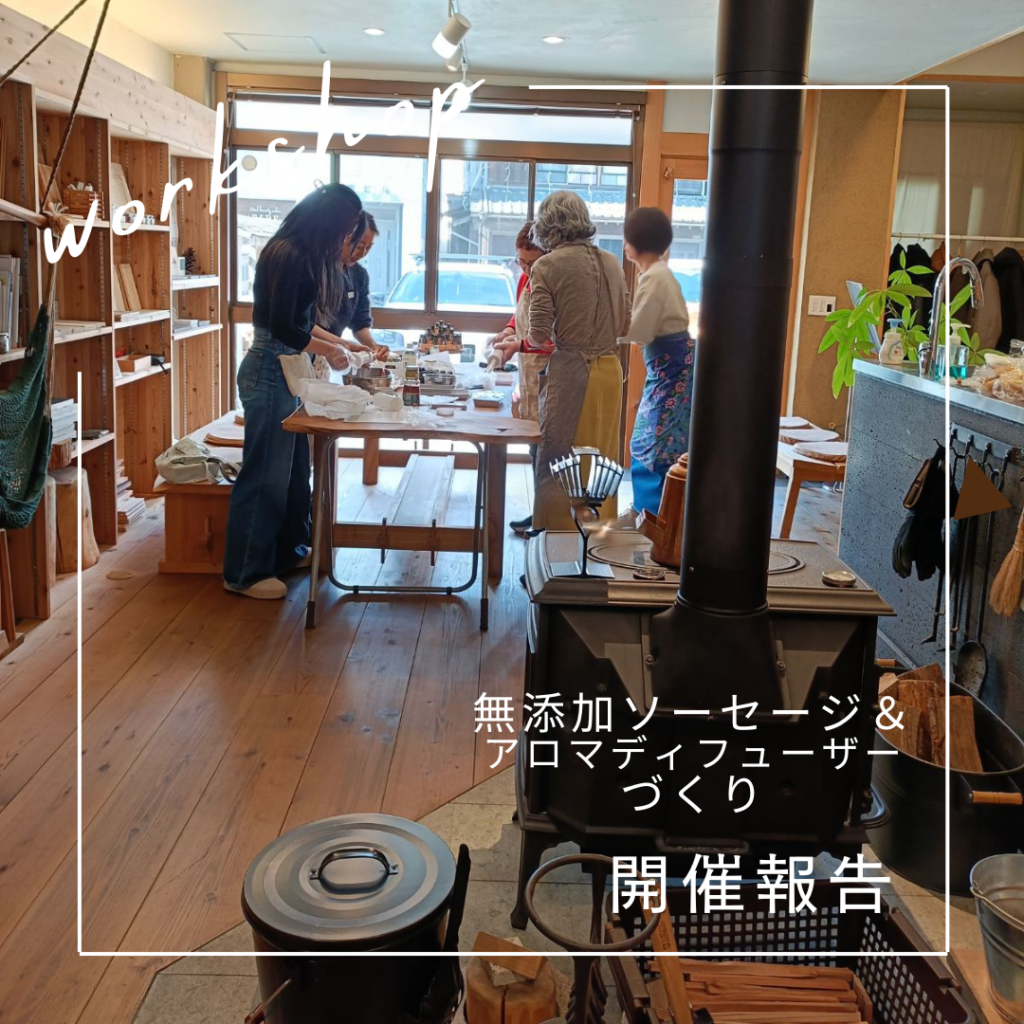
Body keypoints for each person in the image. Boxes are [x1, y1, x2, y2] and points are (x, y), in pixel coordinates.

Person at [223, 183, 364, 599]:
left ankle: (285, 554)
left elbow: (298, 325)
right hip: (269, 368)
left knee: (294, 471)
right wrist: (330, 350)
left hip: (283, 368)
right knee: (265, 476)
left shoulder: (296, 251)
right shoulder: (291, 255)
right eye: (346, 231)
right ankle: (244, 573)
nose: (345, 240)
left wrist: (335, 347)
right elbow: (284, 328)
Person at [527, 191, 630, 531]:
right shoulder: (612, 262)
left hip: (571, 373)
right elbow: (625, 325)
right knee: (602, 460)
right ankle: (597, 538)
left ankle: (558, 539)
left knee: (561, 459)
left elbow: (537, 334)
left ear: (547, 225)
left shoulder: (547, 265)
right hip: (610, 371)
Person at [621, 206, 693, 517]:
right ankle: (652, 517)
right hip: (672, 372)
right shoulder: (658, 274)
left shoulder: (655, 278)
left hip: (671, 375)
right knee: (659, 443)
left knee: (653, 444)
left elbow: (640, 332)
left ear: (634, 244)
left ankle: (652, 520)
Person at [486, 221, 551, 534]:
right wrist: (508, 331)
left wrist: (518, 345)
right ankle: (541, 513)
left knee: (547, 450)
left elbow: (553, 336)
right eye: (521, 261)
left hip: (550, 371)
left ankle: (548, 518)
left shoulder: (553, 280)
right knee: (533, 446)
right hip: (528, 371)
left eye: (532, 262)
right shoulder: (526, 278)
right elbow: (520, 316)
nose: (526, 268)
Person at [331, 212, 389, 362]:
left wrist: (373, 347)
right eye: (359, 246)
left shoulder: (359, 275)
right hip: (307, 350)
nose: (362, 253)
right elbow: (307, 325)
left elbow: (359, 322)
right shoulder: (320, 271)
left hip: (332, 353)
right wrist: (343, 345)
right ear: (343, 238)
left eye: (368, 248)